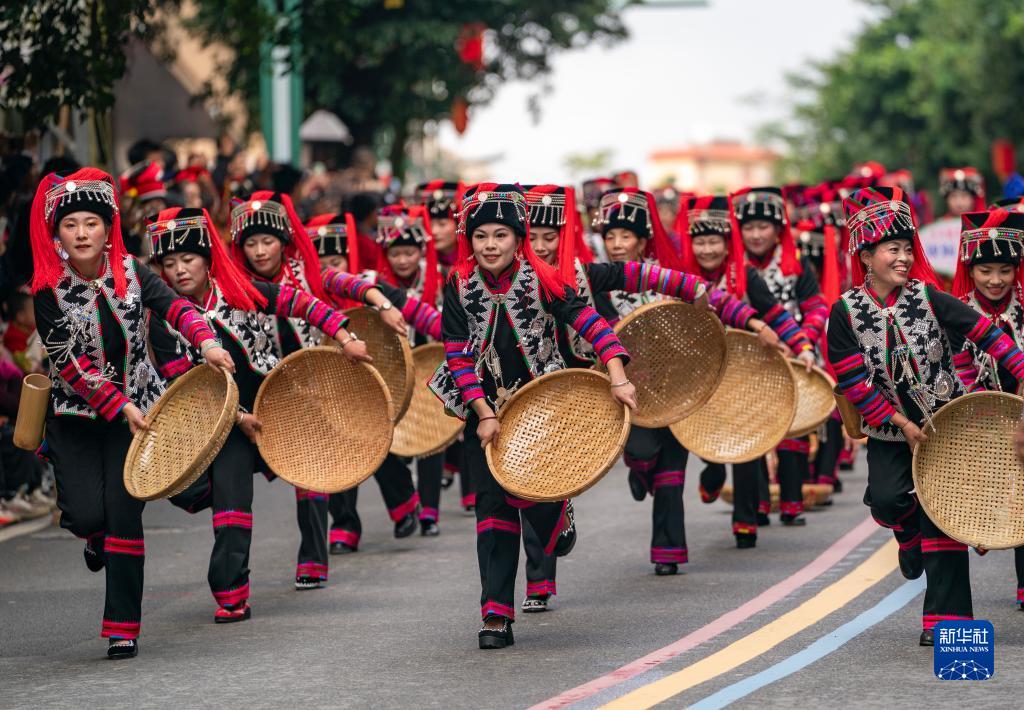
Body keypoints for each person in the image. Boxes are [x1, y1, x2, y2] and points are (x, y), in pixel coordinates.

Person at [30, 168, 234, 659]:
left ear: (108, 228)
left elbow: (176, 308)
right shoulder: (45, 290)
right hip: (77, 417)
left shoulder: (133, 272)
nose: (81, 233)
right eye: (71, 225)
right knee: (85, 514)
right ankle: (93, 538)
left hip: (139, 413)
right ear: (57, 233)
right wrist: (116, 405)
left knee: (124, 513)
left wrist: (205, 341)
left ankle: (123, 625)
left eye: (91, 223)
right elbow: (71, 365)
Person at [429, 183, 636, 649]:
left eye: (500, 235)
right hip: (484, 410)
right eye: (481, 236)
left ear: (518, 238)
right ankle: (496, 616)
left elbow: (591, 323)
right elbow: (458, 356)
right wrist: (482, 413)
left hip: (544, 408)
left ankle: (556, 512)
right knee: (493, 510)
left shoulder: (543, 278)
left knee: (540, 512)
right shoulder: (458, 285)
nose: (489, 245)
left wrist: (618, 376)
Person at [148, 206, 366, 623]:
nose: (178, 271)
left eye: (188, 259)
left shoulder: (239, 287)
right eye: (169, 263)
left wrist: (344, 335)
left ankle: (313, 558)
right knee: (230, 503)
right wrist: (237, 418)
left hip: (275, 401)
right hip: (222, 418)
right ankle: (231, 594)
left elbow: (299, 302)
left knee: (308, 467)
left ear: (207, 258)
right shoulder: (163, 318)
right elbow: (184, 384)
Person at [826, 186, 1024, 646]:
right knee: (888, 499)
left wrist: (1018, 368)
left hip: (946, 428)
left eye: (905, 248)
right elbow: (855, 382)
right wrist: (900, 423)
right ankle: (906, 537)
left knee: (944, 516)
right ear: (866, 254)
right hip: (891, 431)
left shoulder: (930, 298)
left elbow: (988, 336)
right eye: (892, 249)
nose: (902, 257)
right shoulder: (846, 312)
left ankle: (946, 622)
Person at [229, 191, 408, 588]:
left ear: (284, 241)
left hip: (318, 383)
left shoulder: (307, 273)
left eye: (268, 241)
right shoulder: (234, 286)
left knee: (313, 467)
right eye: (252, 243)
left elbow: (350, 284)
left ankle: (314, 558)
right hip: (264, 389)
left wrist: (382, 303)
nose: (260, 251)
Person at [676, 194, 813, 545]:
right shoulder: (679, 277)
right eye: (700, 242)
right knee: (705, 433)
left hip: (743, 369)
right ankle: (713, 468)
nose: (706, 250)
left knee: (748, 438)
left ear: (726, 243)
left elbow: (774, 313)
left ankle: (746, 518)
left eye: (713, 242)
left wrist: (802, 344)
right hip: (699, 369)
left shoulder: (746, 275)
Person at [303, 210, 443, 551]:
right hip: (323, 380)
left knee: (373, 438)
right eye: (320, 261)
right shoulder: (303, 287)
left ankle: (403, 503)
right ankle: (345, 524)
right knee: (337, 447)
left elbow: (410, 308)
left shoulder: (366, 281)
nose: (328, 269)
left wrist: (453, 338)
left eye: (335, 260)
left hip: (372, 374)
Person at [734, 186, 823, 526]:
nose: (756, 235)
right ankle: (757, 500)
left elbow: (815, 308)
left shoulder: (796, 265)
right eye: (749, 227)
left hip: (793, 351)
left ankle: (791, 499)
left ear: (777, 229)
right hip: (749, 356)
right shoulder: (735, 268)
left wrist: (806, 342)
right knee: (753, 426)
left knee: (792, 428)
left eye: (763, 227)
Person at [951, 208, 1024, 610]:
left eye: (1004, 270)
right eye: (985, 271)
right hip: (974, 417)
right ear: (970, 270)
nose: (995, 281)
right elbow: (954, 367)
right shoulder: (955, 311)